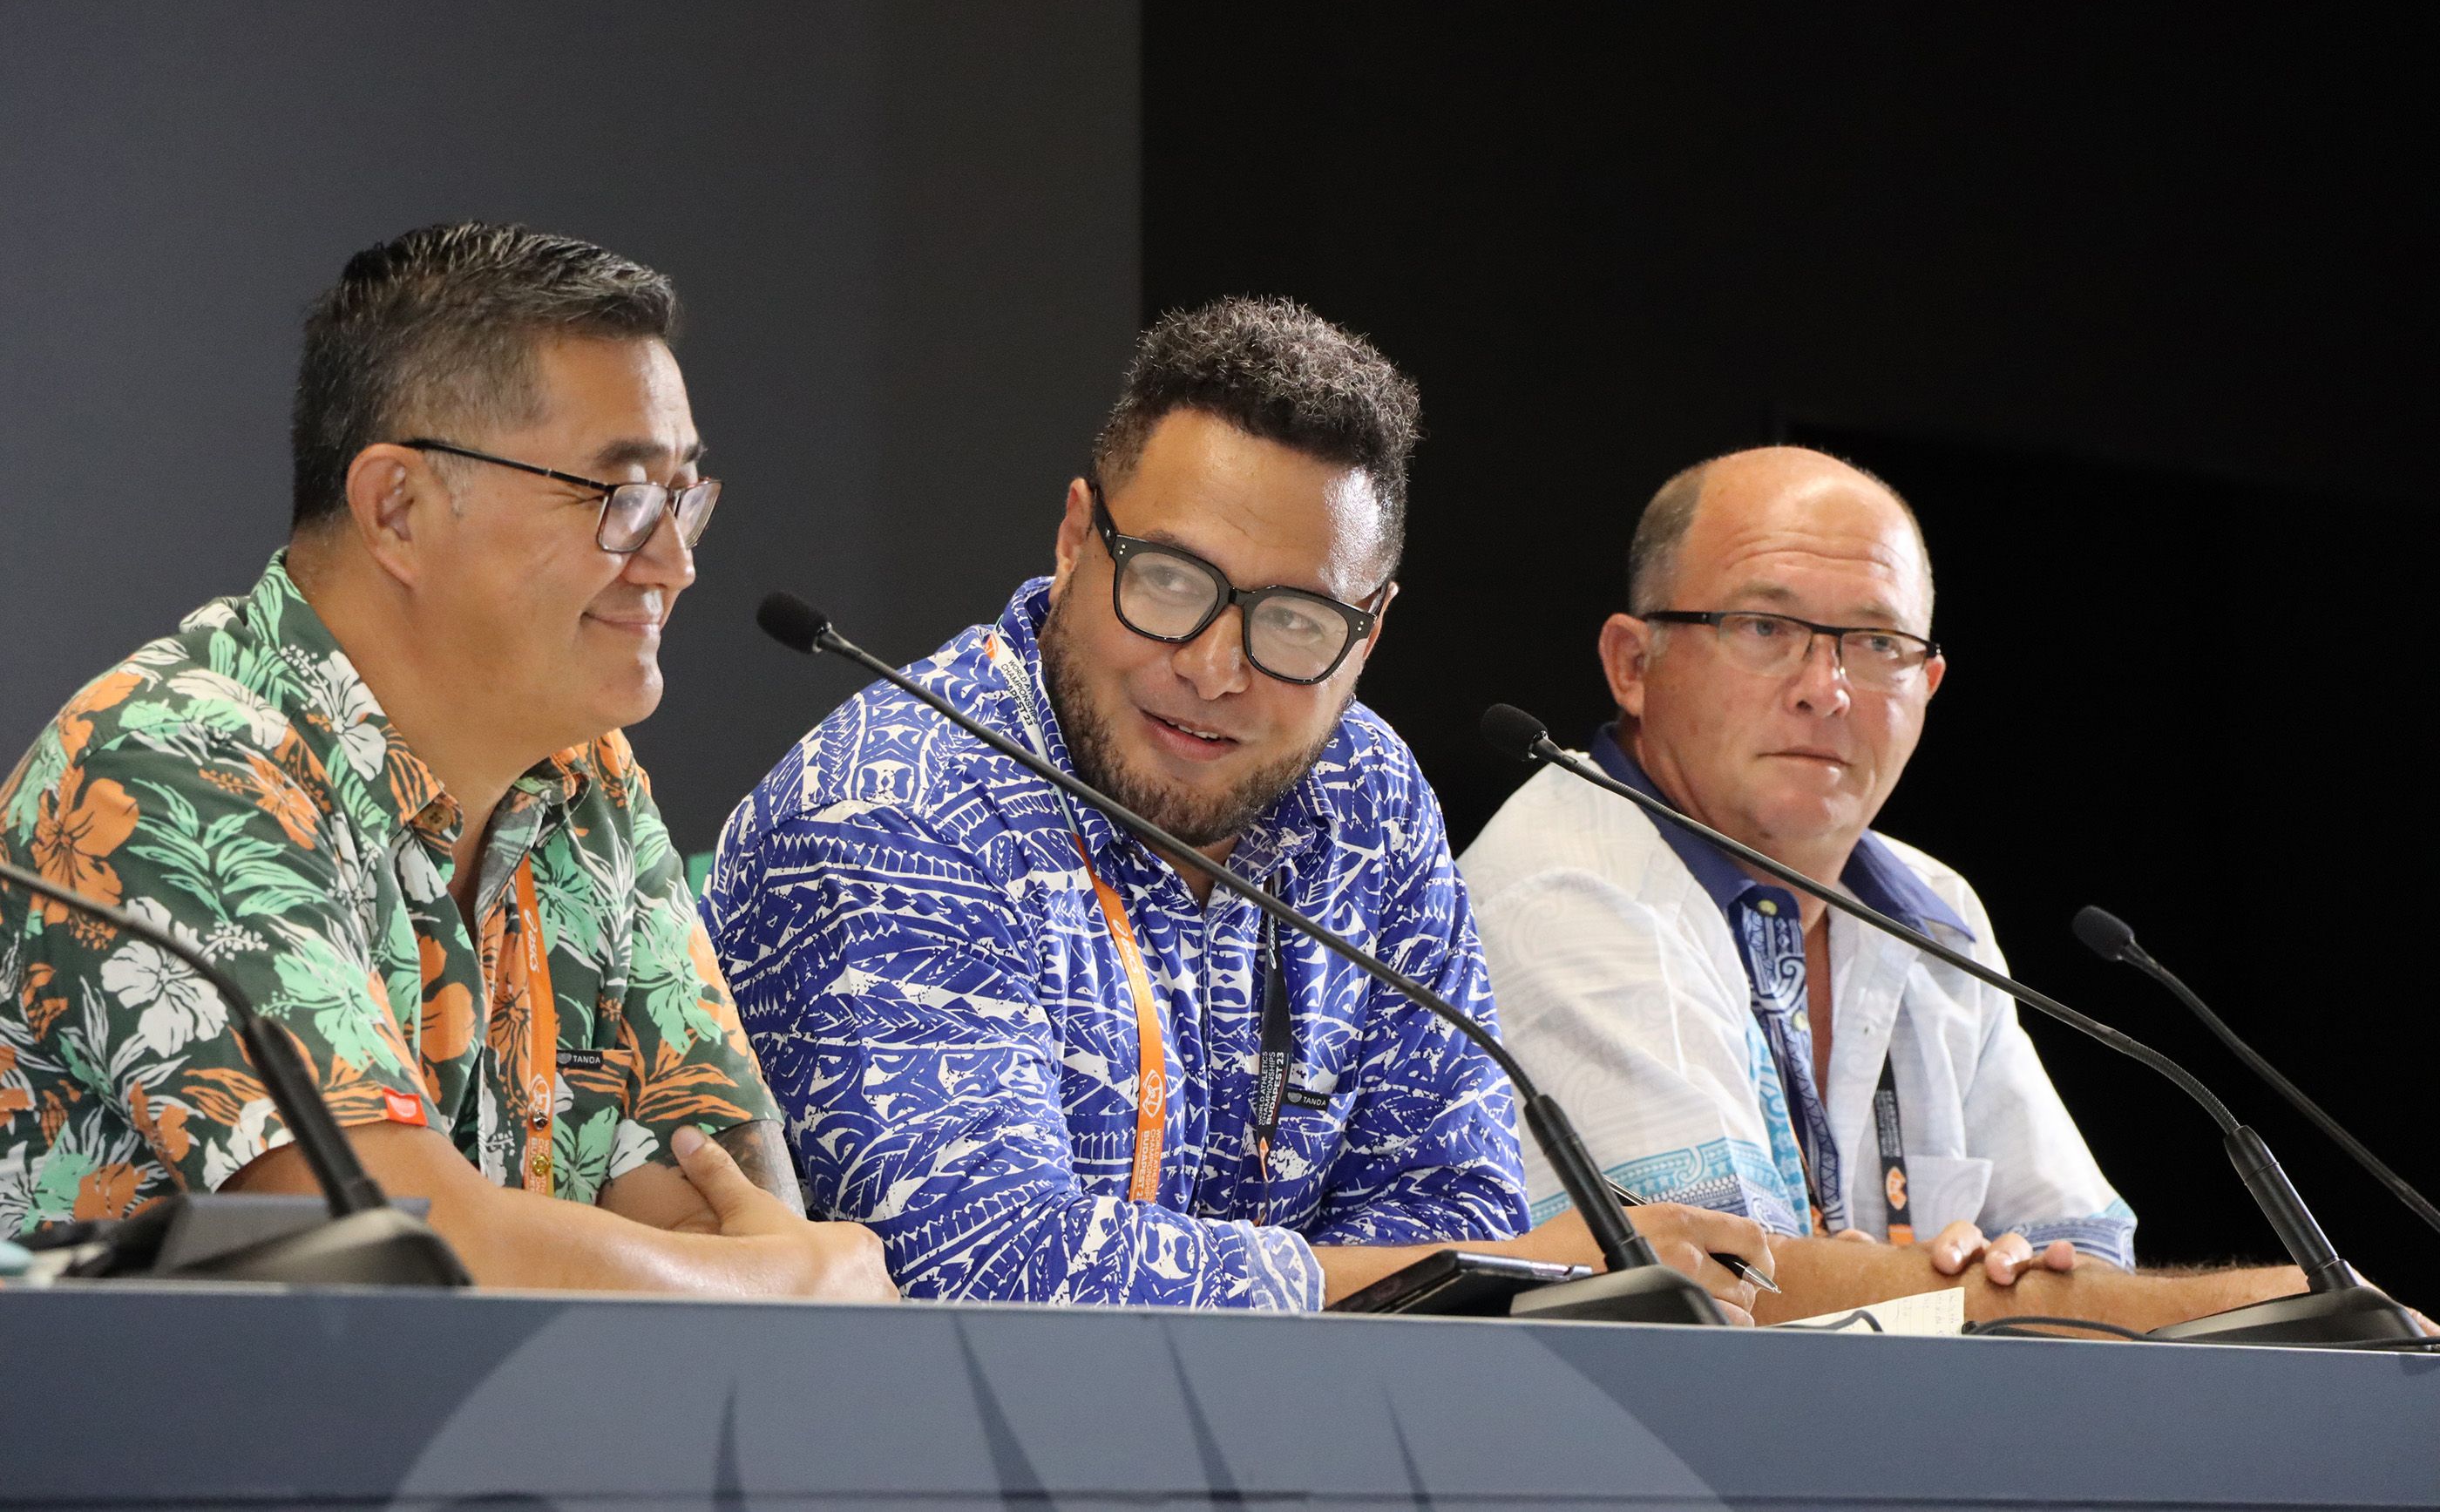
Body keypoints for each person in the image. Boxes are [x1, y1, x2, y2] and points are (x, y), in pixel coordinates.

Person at [705, 298, 1769, 1312]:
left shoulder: (1368, 794)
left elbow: (1453, 1209)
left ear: (1372, 632)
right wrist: (1462, 1268)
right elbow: (989, 1266)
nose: (1216, 669)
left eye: (1298, 623)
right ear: (1077, 537)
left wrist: (1464, 1265)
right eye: (1169, 581)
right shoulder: (893, 804)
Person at [0, 222, 892, 1300]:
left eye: (683, 496)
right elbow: (394, 1252)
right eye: (621, 498)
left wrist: (758, 1277)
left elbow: (726, 1207)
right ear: (397, 508)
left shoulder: (586, 783)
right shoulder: (168, 761)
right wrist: (788, 1286)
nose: (674, 562)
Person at [1461, 445, 2309, 1328]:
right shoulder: (1565, 885)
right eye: (1763, 627)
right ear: (1634, 664)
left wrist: (1968, 1280)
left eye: (1875, 644)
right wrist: (2264, 1301)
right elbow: (1725, 1288)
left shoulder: (1935, 911)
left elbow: (2081, 1256)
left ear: (1927, 683)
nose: (1824, 690)